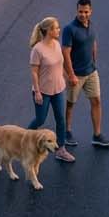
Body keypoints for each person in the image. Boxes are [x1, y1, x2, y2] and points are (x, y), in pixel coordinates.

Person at [62, 0, 109, 148]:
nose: (83, 14)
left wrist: (94, 61)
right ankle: (67, 133)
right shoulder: (69, 29)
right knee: (71, 104)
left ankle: (97, 135)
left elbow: (93, 42)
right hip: (76, 74)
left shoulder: (91, 25)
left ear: (91, 11)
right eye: (80, 12)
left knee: (96, 101)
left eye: (86, 12)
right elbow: (65, 52)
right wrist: (70, 75)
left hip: (91, 71)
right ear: (76, 11)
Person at [28, 17, 75, 163]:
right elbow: (34, 72)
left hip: (58, 89)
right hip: (43, 91)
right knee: (40, 119)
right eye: (56, 28)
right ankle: (25, 138)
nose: (59, 30)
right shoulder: (37, 49)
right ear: (48, 30)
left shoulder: (56, 44)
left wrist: (69, 77)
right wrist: (37, 91)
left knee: (60, 119)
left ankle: (61, 149)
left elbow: (60, 64)